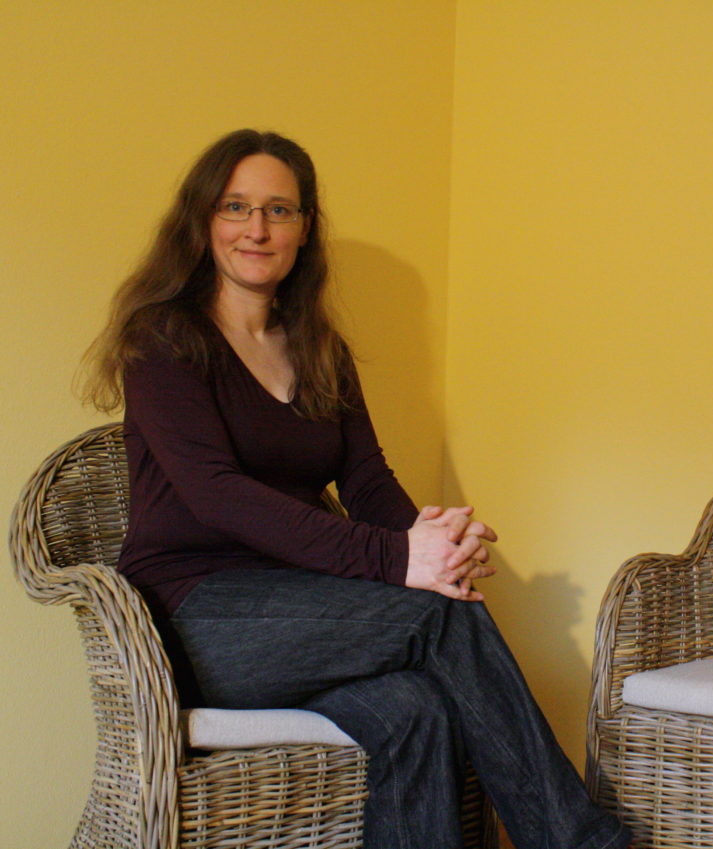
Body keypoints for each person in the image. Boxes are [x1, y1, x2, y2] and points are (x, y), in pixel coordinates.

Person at [81, 129, 631, 849]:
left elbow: (367, 479)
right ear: (202, 219)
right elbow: (217, 494)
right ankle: (578, 841)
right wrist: (402, 562)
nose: (256, 227)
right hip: (190, 619)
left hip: (305, 613)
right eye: (236, 206)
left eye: (279, 210)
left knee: (416, 708)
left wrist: (436, 549)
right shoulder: (164, 340)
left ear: (305, 228)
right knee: (432, 614)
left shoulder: (317, 348)